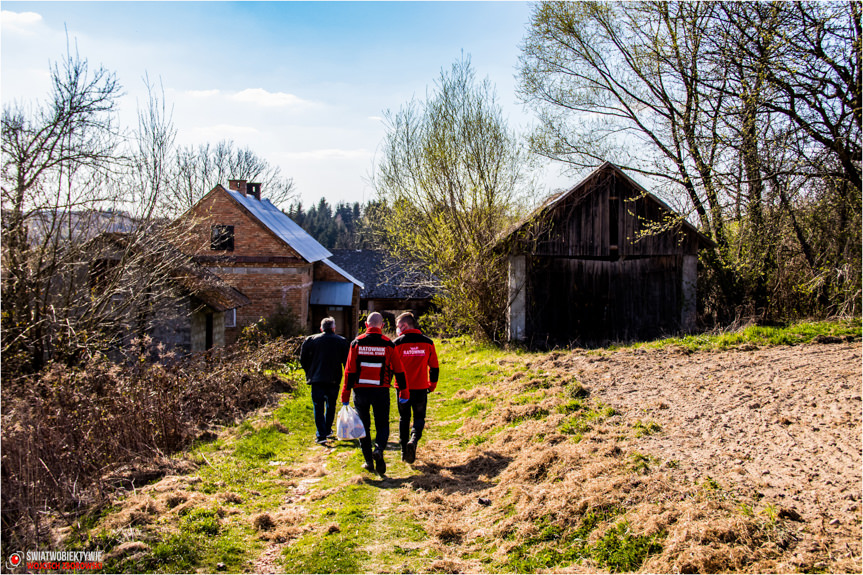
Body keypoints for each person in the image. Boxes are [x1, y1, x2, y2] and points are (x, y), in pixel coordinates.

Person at [340, 312, 408, 475]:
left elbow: (349, 371)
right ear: (382, 326)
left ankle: (369, 461)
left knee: (363, 426)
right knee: (382, 424)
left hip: (360, 391)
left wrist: (345, 396)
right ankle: (379, 449)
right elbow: (399, 370)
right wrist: (404, 392)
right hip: (381, 390)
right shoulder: (388, 345)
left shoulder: (356, 343)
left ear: (365, 325)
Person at [393, 312, 439, 464]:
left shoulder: (397, 343)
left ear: (404, 326)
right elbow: (434, 366)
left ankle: (403, 451)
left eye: (398, 326)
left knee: (404, 418)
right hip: (420, 387)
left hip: (402, 389)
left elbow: (389, 366)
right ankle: (413, 440)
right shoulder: (428, 342)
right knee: (419, 418)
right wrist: (432, 385)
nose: (397, 329)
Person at [300, 317, 349, 445]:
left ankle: (321, 434)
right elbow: (347, 362)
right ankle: (327, 430)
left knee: (318, 406)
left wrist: (309, 372)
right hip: (333, 378)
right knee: (330, 405)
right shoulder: (342, 341)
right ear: (334, 328)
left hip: (316, 378)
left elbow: (303, 360)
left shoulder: (310, 340)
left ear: (321, 328)